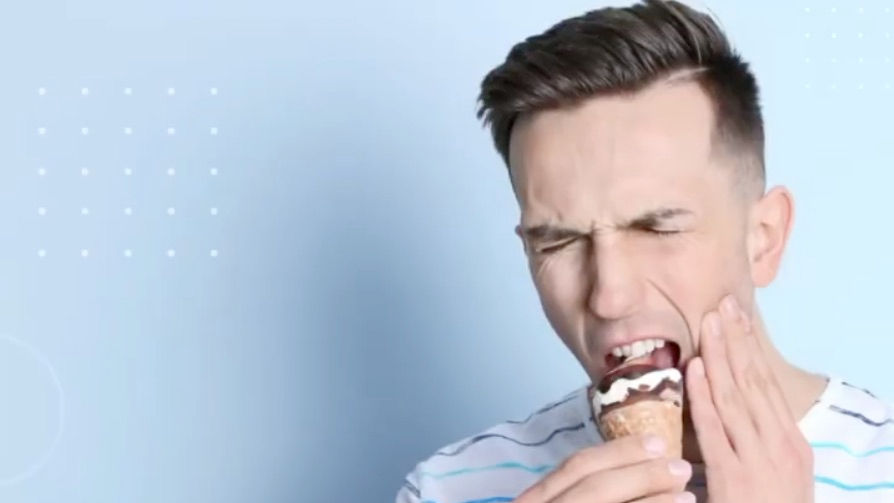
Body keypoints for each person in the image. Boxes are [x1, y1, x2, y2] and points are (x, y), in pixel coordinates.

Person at [395, 1, 894, 502]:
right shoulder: (446, 489)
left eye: (657, 229)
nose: (609, 297)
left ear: (764, 238)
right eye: (560, 241)